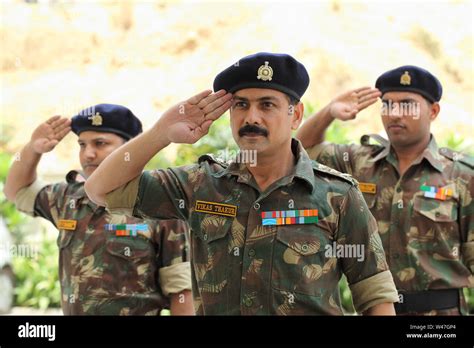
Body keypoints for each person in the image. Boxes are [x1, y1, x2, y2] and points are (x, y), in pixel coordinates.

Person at [85, 52, 398, 315]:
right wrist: (160, 134)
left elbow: (374, 292)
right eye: (241, 105)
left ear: (295, 115)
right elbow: (100, 190)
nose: (252, 118)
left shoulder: (337, 194)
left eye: (267, 105)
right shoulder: (200, 184)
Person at [296, 65, 474, 315]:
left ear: (433, 111)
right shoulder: (359, 162)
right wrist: (329, 112)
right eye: (387, 104)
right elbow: (299, 151)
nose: (395, 114)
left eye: (407, 105)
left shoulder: (461, 176)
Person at [3, 104, 194, 315]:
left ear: (129, 148)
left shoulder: (157, 203)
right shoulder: (68, 198)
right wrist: (32, 149)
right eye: (82, 145)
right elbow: (16, 191)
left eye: (100, 143)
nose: (88, 154)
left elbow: (181, 291)